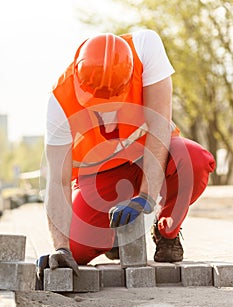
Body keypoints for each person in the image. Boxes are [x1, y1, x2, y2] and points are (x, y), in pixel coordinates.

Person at [38, 29, 215, 278]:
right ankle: (115, 241)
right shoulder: (58, 103)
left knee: (194, 160)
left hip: (152, 156)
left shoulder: (146, 49)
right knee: (75, 250)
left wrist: (146, 197)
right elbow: (58, 180)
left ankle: (166, 233)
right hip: (100, 175)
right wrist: (60, 247)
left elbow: (159, 127)